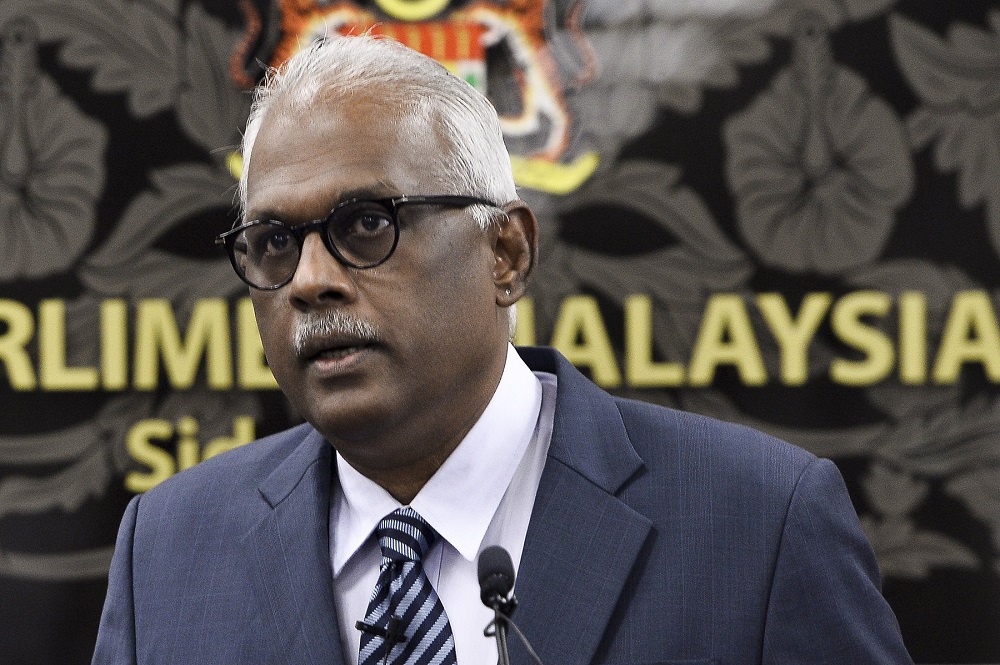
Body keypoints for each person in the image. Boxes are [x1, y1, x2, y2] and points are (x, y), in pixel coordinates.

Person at [93, 35, 912, 664]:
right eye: (274, 240)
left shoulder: (760, 523)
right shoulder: (167, 551)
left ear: (506, 253)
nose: (309, 280)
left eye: (366, 225)